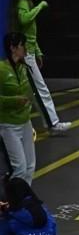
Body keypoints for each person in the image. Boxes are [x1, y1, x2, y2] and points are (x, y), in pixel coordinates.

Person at [8, 0, 71, 134]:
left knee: (30, 91)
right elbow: (24, 20)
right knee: (40, 89)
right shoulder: (23, 2)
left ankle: (22, 124)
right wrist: (40, 6)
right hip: (25, 55)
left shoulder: (26, 2)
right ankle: (52, 124)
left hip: (28, 53)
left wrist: (38, 52)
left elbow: (30, 33)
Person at [0, 33, 35, 185]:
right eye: (22, 45)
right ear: (13, 48)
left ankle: (24, 196)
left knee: (30, 166)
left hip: (25, 122)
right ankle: (14, 196)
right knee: (20, 168)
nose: (25, 49)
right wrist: (14, 101)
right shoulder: (1, 70)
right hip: (9, 125)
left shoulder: (23, 68)